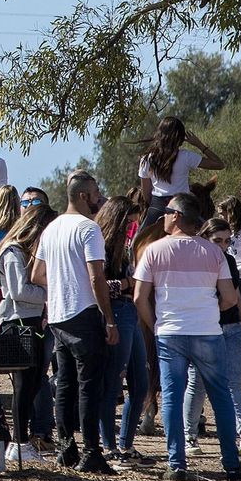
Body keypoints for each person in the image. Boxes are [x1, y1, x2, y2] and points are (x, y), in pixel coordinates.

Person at [134, 194, 241, 481]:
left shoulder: (154, 250)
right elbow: (230, 297)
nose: (163, 216)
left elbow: (139, 298)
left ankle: (176, 464)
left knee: (172, 397)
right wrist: (209, 310)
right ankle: (232, 464)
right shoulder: (213, 252)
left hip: (170, 333)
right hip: (207, 331)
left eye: (167, 211)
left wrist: (156, 325)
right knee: (220, 396)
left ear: (176, 215)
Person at [30, 171, 117, 475]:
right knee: (90, 386)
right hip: (83, 313)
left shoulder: (51, 228)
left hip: (58, 315)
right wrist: (109, 319)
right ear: (83, 196)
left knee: (65, 385)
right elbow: (96, 277)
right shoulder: (89, 228)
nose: (99, 198)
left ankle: (67, 449)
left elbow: (37, 274)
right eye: (95, 193)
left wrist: (62, 282)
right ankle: (91, 452)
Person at [183, 216, 241, 456]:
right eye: (218, 240)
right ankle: (189, 435)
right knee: (197, 383)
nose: (223, 246)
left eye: (227, 241)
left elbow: (236, 297)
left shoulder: (230, 261)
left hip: (231, 327)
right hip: (203, 329)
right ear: (204, 238)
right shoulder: (194, 262)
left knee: (233, 381)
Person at [0, 202, 58, 464]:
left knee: (33, 383)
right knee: (22, 385)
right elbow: (18, 291)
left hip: (31, 322)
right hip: (18, 323)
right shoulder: (13, 252)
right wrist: (49, 292)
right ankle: (19, 442)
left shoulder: (23, 252)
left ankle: (22, 441)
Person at [93, 195, 152, 466]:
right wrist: (130, 281)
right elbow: (100, 285)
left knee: (141, 383)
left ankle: (125, 445)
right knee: (113, 382)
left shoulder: (125, 247)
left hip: (129, 311)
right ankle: (109, 446)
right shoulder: (103, 247)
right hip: (116, 311)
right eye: (128, 222)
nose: (132, 227)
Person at [136, 116, 225, 225]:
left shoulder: (146, 159)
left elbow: (146, 196)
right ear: (180, 137)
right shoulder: (186, 156)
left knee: (138, 236)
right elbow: (219, 164)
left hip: (157, 208)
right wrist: (198, 144)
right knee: (207, 232)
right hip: (183, 207)